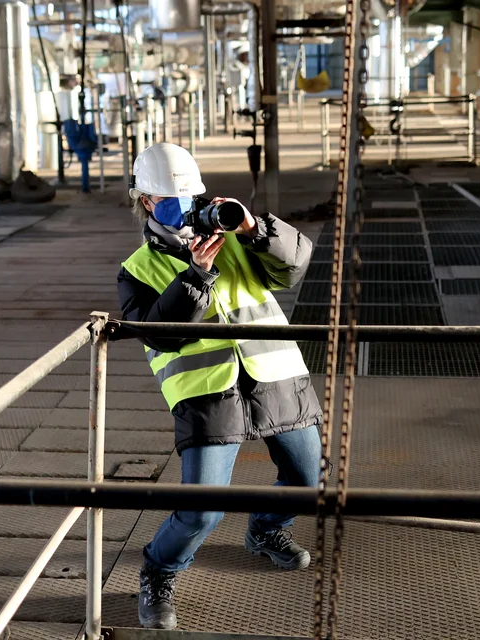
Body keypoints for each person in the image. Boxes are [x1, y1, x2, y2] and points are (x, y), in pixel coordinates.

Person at [117, 142, 323, 630]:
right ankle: (158, 571)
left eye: (192, 197)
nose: (186, 208)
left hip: (275, 375)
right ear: (146, 200)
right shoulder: (136, 270)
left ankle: (266, 530)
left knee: (306, 481)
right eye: (171, 198)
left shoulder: (233, 239)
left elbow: (293, 268)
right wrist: (197, 276)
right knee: (202, 512)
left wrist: (254, 229)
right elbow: (158, 333)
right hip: (208, 393)